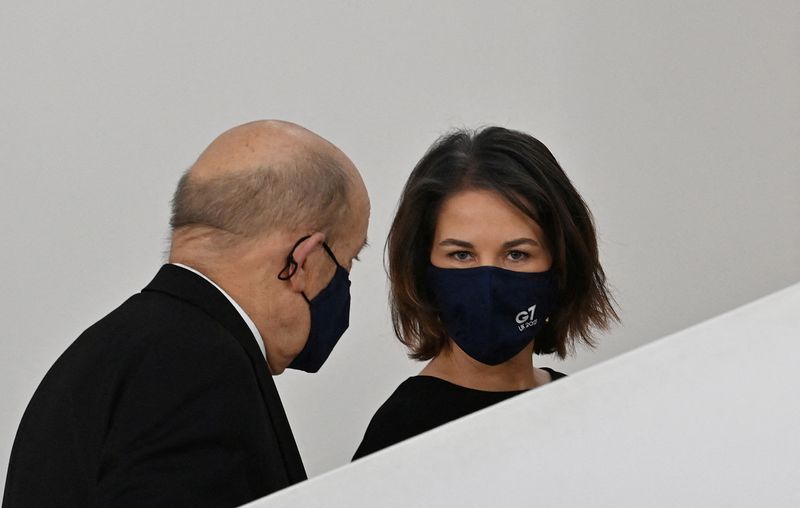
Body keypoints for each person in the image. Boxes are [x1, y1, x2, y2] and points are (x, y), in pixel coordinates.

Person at [3, 120, 370, 507]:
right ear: (304, 261)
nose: (344, 283)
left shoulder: (97, 354)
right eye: (347, 260)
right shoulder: (198, 369)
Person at [353, 126, 617, 459]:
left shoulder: (583, 409)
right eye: (461, 255)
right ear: (423, 266)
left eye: (517, 254)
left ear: (561, 264)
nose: (489, 282)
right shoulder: (401, 434)